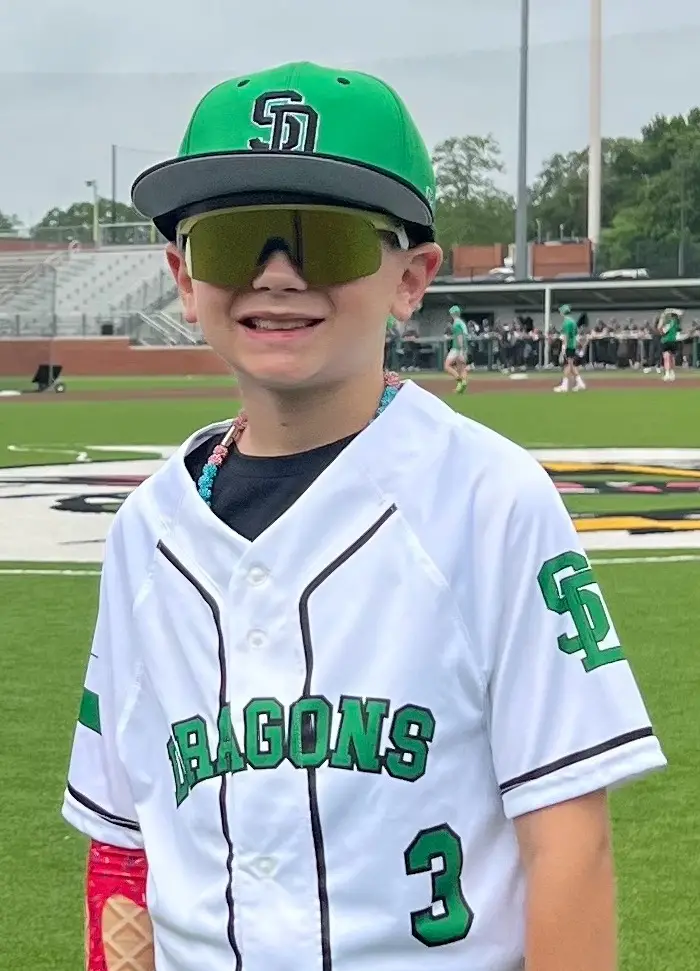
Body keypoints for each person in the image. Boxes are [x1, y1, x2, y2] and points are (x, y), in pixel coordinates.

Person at [62, 61, 666, 971]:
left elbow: (569, 844)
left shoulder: (488, 499)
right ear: (184, 278)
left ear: (412, 278)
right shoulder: (146, 532)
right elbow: (121, 839)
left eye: (327, 239)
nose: (276, 274)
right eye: (233, 240)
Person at [554, 304, 586, 392]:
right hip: (573, 345)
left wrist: (564, 347)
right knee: (571, 365)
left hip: (569, 345)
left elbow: (566, 336)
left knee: (568, 365)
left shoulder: (567, 322)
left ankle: (564, 385)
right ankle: (580, 383)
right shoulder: (573, 321)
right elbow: (575, 334)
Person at [444, 304, 468, 392]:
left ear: (452, 314)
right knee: (461, 367)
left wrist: (460, 349)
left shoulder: (456, 324)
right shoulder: (462, 323)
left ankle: (459, 380)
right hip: (464, 347)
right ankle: (462, 384)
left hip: (457, 348)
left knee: (447, 366)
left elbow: (459, 336)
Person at [658, 308, 682, 382]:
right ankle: (672, 374)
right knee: (672, 358)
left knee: (666, 357)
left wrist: (663, 316)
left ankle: (667, 374)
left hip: (666, 341)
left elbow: (660, 330)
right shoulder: (676, 323)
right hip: (673, 341)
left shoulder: (668, 323)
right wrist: (673, 311)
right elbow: (680, 314)